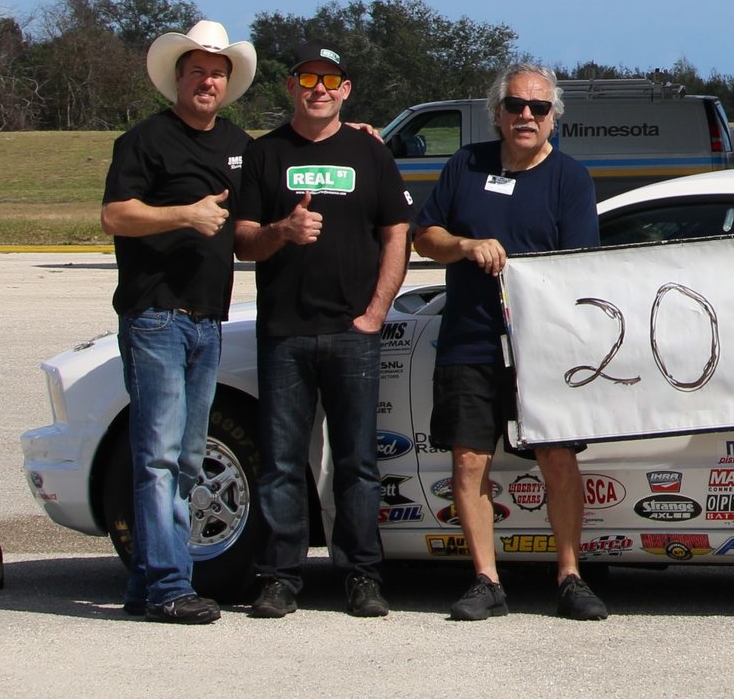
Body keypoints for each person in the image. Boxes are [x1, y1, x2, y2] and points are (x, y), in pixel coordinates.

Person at [410, 63, 608, 623]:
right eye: (515, 105)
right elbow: (425, 236)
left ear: (553, 118)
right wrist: (465, 245)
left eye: (538, 108)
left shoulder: (571, 178)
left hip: (543, 348)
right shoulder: (465, 164)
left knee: (557, 458)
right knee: (469, 461)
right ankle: (486, 580)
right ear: (497, 113)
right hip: (469, 341)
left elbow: (581, 266)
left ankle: (570, 576)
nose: (526, 115)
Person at [235, 42, 411, 619]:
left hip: (352, 332)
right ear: (291, 86)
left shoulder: (370, 150)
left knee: (356, 463)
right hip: (284, 332)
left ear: (345, 90)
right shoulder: (264, 153)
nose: (319, 89)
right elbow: (243, 241)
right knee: (283, 464)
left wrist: (376, 312)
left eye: (330, 80)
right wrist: (281, 232)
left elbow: (397, 232)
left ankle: (362, 575)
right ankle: (279, 578)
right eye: (308, 78)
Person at [98, 20, 257, 625]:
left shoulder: (239, 145)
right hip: (155, 317)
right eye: (197, 72)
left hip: (207, 321)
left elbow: (271, 190)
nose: (207, 82)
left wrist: (359, 132)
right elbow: (116, 215)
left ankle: (146, 584)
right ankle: (170, 585)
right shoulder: (144, 141)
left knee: (188, 458)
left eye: (217, 74)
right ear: (177, 78)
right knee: (159, 456)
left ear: (228, 83)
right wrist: (185, 215)